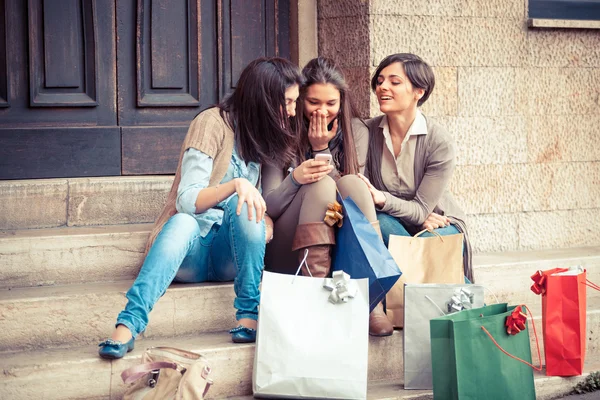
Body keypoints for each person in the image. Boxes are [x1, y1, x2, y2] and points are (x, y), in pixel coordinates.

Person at [98, 57, 303, 358]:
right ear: (265, 100)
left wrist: (264, 221)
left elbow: (265, 201)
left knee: (244, 206)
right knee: (184, 221)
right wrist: (235, 185)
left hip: (227, 254)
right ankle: (128, 325)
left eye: (295, 103)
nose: (292, 112)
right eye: (287, 102)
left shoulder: (262, 137)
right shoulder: (211, 123)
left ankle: (248, 317)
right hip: (189, 251)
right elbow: (187, 200)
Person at [262, 57, 394, 336]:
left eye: (330, 104)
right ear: (299, 100)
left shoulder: (356, 130)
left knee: (355, 185)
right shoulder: (281, 130)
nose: (322, 111)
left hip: (340, 244)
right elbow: (270, 204)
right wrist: (298, 176)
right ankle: (314, 297)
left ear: (341, 101)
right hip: (291, 249)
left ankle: (372, 302)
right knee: (321, 185)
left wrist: (321, 150)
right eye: (313, 103)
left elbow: (344, 197)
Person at [357, 53, 473, 283]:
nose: (383, 87)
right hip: (393, 222)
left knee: (430, 247)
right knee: (380, 224)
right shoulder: (366, 132)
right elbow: (363, 196)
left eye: (394, 82)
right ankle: (473, 308)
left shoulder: (438, 141)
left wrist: (383, 199)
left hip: (440, 222)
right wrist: (415, 216)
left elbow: (421, 209)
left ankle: (472, 309)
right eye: (379, 81)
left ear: (419, 92)